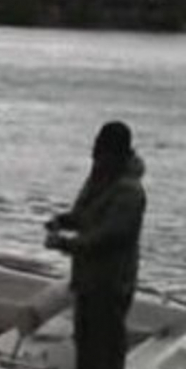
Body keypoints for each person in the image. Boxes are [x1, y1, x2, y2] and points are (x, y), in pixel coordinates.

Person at [45, 121, 146, 369]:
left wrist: (65, 244)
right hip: (87, 281)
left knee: (106, 350)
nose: (95, 155)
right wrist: (63, 221)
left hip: (110, 284)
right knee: (85, 342)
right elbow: (84, 215)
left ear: (117, 153)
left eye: (101, 150)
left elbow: (108, 237)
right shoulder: (99, 177)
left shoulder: (130, 192)